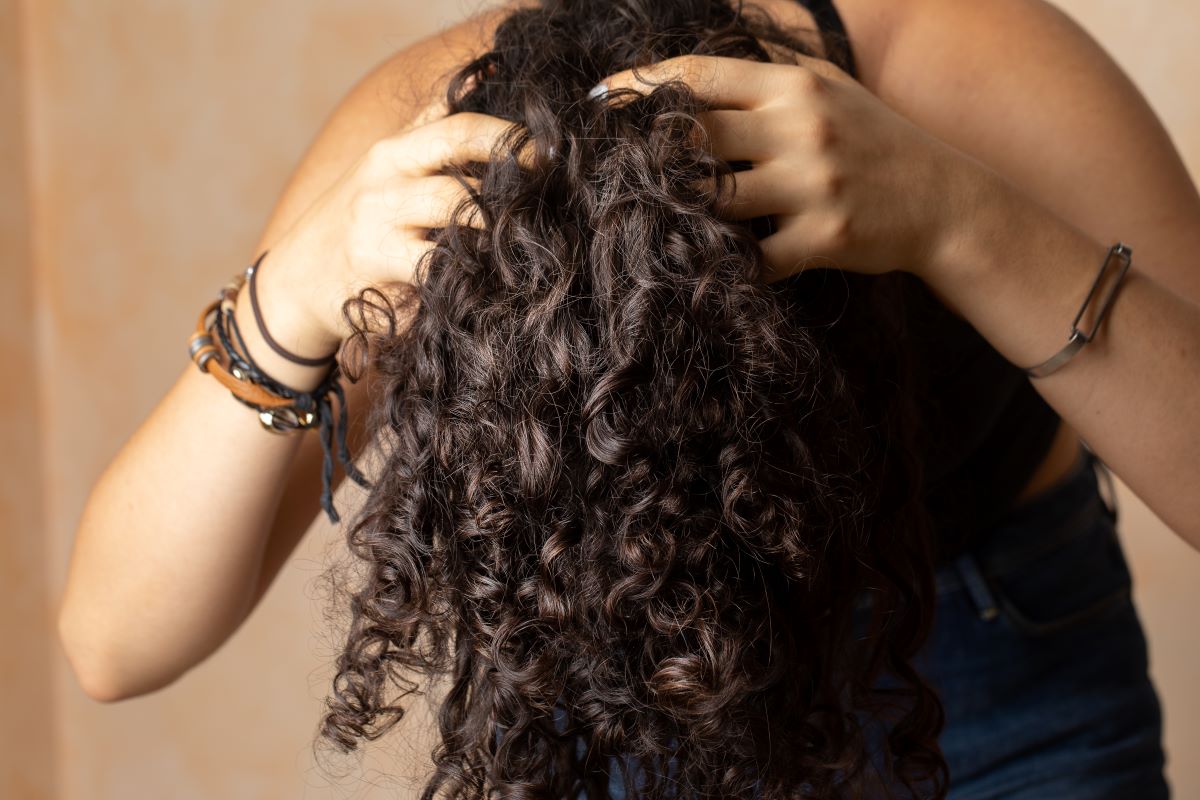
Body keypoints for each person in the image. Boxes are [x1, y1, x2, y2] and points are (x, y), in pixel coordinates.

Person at [57, 0, 1199, 797]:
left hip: (1000, 682)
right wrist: (300, 293)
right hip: (621, 708)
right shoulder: (431, 139)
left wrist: (964, 219)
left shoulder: (966, 60)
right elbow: (113, 639)